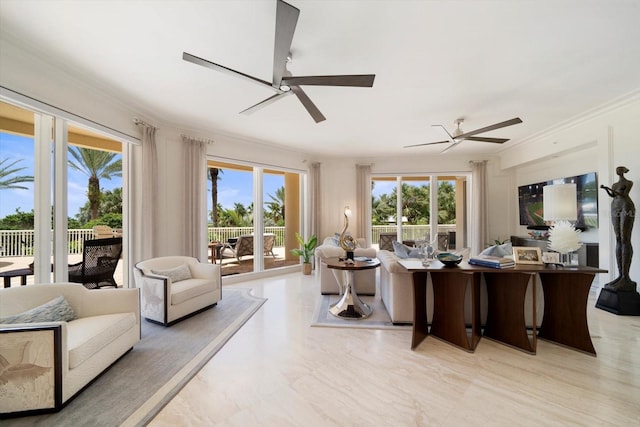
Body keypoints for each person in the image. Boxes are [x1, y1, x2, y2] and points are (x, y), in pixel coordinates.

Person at [600, 166, 636, 292]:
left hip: (626, 205)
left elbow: (623, 194)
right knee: (618, 239)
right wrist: (606, 189)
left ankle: (626, 276)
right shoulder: (615, 184)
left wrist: (609, 188)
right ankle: (620, 275)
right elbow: (613, 195)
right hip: (615, 205)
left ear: (623, 171)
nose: (617, 172)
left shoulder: (628, 182)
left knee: (625, 238)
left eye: (619, 170)